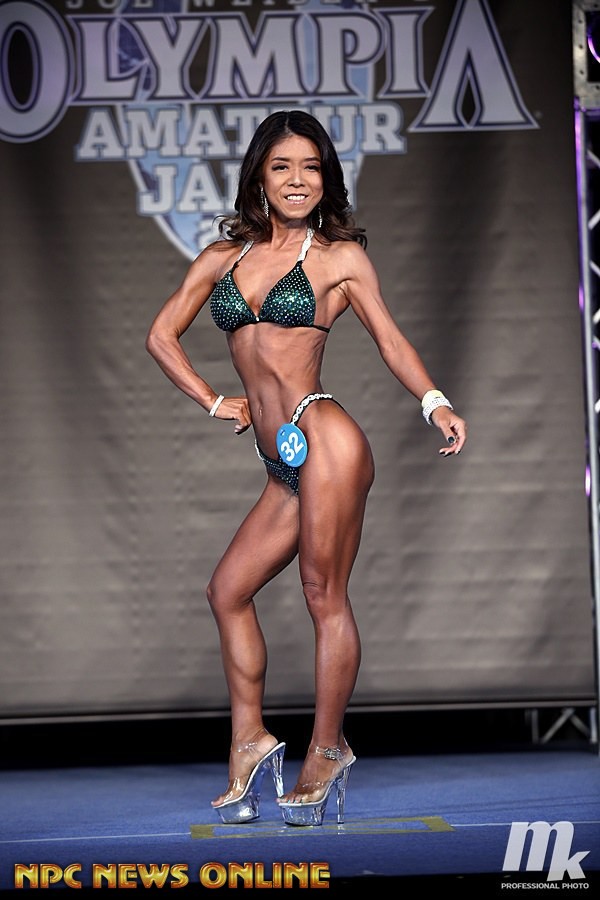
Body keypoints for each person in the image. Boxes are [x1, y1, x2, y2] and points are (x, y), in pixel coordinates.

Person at [145, 109, 467, 827]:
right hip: (282, 461)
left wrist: (435, 402)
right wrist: (211, 400)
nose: (297, 180)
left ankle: (326, 750)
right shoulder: (222, 258)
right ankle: (250, 740)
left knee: (323, 595)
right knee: (227, 591)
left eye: (311, 167)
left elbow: (390, 340)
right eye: (282, 166)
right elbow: (161, 335)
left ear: (327, 179)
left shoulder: (338, 259)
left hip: (326, 439)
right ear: (259, 175)